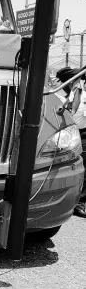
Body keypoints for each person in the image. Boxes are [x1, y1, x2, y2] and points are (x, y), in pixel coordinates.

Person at [55, 67, 86, 217]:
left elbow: (76, 110)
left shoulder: (76, 94)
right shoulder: (60, 96)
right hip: (65, 138)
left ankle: (79, 201)